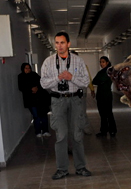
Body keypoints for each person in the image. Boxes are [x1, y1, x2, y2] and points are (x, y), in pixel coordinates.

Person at [40, 31, 92, 180]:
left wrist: (71, 77)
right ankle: (62, 169)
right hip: (58, 101)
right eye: (56, 43)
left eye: (62, 43)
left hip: (75, 100)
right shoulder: (48, 62)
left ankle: (81, 167)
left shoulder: (78, 61)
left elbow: (85, 82)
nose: (59, 46)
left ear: (68, 44)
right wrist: (57, 78)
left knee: (76, 135)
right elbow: (43, 83)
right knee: (61, 136)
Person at [17, 63, 51, 138]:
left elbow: (41, 83)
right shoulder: (21, 77)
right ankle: (38, 132)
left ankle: (45, 131)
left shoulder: (34, 75)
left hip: (40, 99)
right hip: (30, 100)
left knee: (43, 115)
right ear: (23, 69)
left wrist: (37, 88)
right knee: (36, 116)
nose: (28, 70)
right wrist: (30, 89)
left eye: (29, 68)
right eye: (26, 68)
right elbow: (21, 87)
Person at [71, 50, 95, 135]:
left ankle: (85, 127)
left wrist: (92, 89)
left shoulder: (84, 66)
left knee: (82, 111)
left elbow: (88, 78)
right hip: (70, 93)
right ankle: (75, 129)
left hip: (81, 92)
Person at [92, 56, 117, 138]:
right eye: (100, 62)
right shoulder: (101, 72)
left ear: (107, 62)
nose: (101, 63)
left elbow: (101, 80)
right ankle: (104, 130)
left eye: (103, 62)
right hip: (100, 96)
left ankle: (112, 130)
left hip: (106, 95)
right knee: (102, 114)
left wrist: (101, 81)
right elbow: (94, 81)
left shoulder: (109, 72)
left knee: (109, 113)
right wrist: (101, 81)